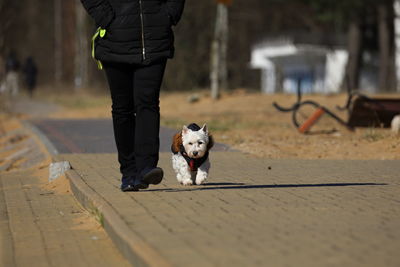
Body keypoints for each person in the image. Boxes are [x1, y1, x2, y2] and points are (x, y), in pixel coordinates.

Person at [80, 0, 185, 191]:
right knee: (123, 109)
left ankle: (146, 167)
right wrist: (107, 18)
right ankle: (129, 172)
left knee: (148, 103)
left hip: (155, 41)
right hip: (114, 42)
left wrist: (169, 15)